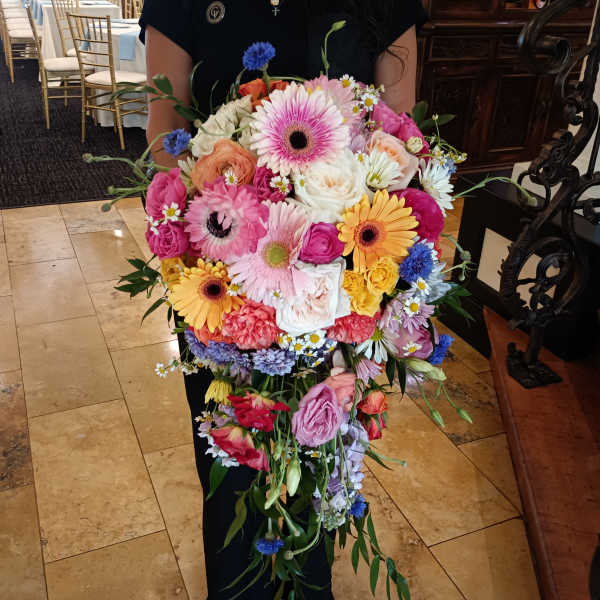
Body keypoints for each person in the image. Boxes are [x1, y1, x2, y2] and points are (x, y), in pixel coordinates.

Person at [139, 2, 427, 598]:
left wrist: (350, 272)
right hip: (221, 289)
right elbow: (165, 134)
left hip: (338, 290)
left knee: (317, 454)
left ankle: (308, 586)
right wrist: (224, 251)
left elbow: (398, 142)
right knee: (232, 458)